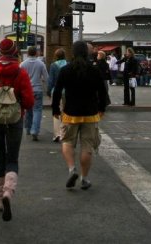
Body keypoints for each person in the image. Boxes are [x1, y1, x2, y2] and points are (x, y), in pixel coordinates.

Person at [0, 38, 34, 221]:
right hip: (15, 118)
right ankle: (8, 193)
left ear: (0, 52)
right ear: (15, 51)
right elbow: (28, 101)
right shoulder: (21, 72)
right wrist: (18, 104)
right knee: (12, 157)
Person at [52, 40, 107, 190]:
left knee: (67, 141)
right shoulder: (94, 70)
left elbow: (57, 91)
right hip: (90, 112)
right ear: (87, 52)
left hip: (71, 112)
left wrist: (55, 110)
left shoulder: (66, 70)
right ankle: (84, 178)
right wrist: (102, 108)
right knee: (87, 146)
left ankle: (72, 169)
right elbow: (102, 91)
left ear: (73, 52)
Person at [20, 47, 48, 141]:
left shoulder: (23, 64)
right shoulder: (41, 64)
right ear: (36, 53)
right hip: (38, 89)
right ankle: (35, 131)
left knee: (28, 110)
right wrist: (48, 89)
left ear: (28, 53)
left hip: (27, 90)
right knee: (37, 110)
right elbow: (46, 77)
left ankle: (28, 128)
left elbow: (19, 78)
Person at [47, 48, 68, 142]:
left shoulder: (53, 65)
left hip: (56, 91)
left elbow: (50, 80)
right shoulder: (68, 64)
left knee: (56, 113)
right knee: (66, 112)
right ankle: (65, 133)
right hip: (67, 91)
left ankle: (57, 135)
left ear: (56, 56)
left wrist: (48, 91)